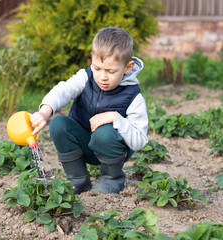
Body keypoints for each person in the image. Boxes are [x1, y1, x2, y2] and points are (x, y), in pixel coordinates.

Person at [30, 26, 148, 194]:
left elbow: (140, 141)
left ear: (128, 67)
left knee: (104, 132)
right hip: (84, 144)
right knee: (58, 124)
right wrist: (44, 111)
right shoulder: (86, 77)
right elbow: (63, 90)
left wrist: (116, 118)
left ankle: (112, 179)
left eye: (110, 71)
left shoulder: (133, 96)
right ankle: (78, 180)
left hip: (112, 150)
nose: (102, 76)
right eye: (97, 68)